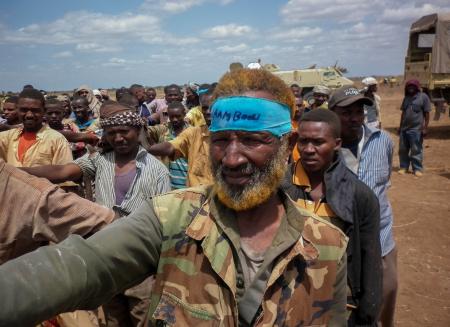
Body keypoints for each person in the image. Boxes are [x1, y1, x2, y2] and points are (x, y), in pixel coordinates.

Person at [0, 69, 348, 326]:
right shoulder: (171, 217)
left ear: (286, 146)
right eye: (221, 140)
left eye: (252, 140)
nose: (231, 158)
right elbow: (82, 264)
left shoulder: (328, 246)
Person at [22, 101, 171, 326]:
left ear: (138, 130)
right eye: (112, 133)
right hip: (105, 257)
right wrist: (13, 173)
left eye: (124, 132)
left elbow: (164, 221)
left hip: (141, 263)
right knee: (112, 318)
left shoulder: (156, 169)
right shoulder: (100, 161)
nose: (119, 138)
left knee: (143, 316)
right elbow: (62, 171)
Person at [281, 109, 382, 326]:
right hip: (285, 294)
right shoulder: (279, 188)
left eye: (318, 142)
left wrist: (368, 311)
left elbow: (370, 257)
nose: (308, 149)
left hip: (336, 301)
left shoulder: (360, 196)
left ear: (336, 144)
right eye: (303, 141)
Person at [329, 85, 398, 327]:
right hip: (339, 245)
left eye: (359, 111)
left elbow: (385, 182)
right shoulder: (323, 148)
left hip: (381, 239)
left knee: (384, 300)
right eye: (346, 112)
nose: (355, 118)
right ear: (332, 115)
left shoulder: (382, 141)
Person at [147, 84, 215, 186]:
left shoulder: (235, 135)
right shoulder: (194, 132)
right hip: (194, 195)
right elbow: (170, 146)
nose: (208, 112)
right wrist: (147, 149)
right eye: (205, 108)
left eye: (213, 107)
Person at [0, 89, 73, 167]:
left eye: (35, 111)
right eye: (24, 110)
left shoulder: (57, 140)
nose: (29, 115)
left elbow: (65, 174)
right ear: (18, 110)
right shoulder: (6, 137)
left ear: (44, 111)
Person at [147, 101, 190, 189]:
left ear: (184, 114)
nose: (174, 119)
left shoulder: (193, 132)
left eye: (178, 116)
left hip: (187, 183)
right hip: (169, 184)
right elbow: (147, 131)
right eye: (172, 116)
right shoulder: (164, 129)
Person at [398, 79, 431, 177]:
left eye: (413, 86)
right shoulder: (406, 98)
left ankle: (417, 169)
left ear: (417, 87)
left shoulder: (423, 97)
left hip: (416, 129)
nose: (410, 88)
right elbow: (403, 114)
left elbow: (427, 113)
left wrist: (425, 128)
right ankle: (404, 167)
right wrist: (400, 127)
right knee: (403, 149)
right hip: (404, 129)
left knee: (416, 149)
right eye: (409, 86)